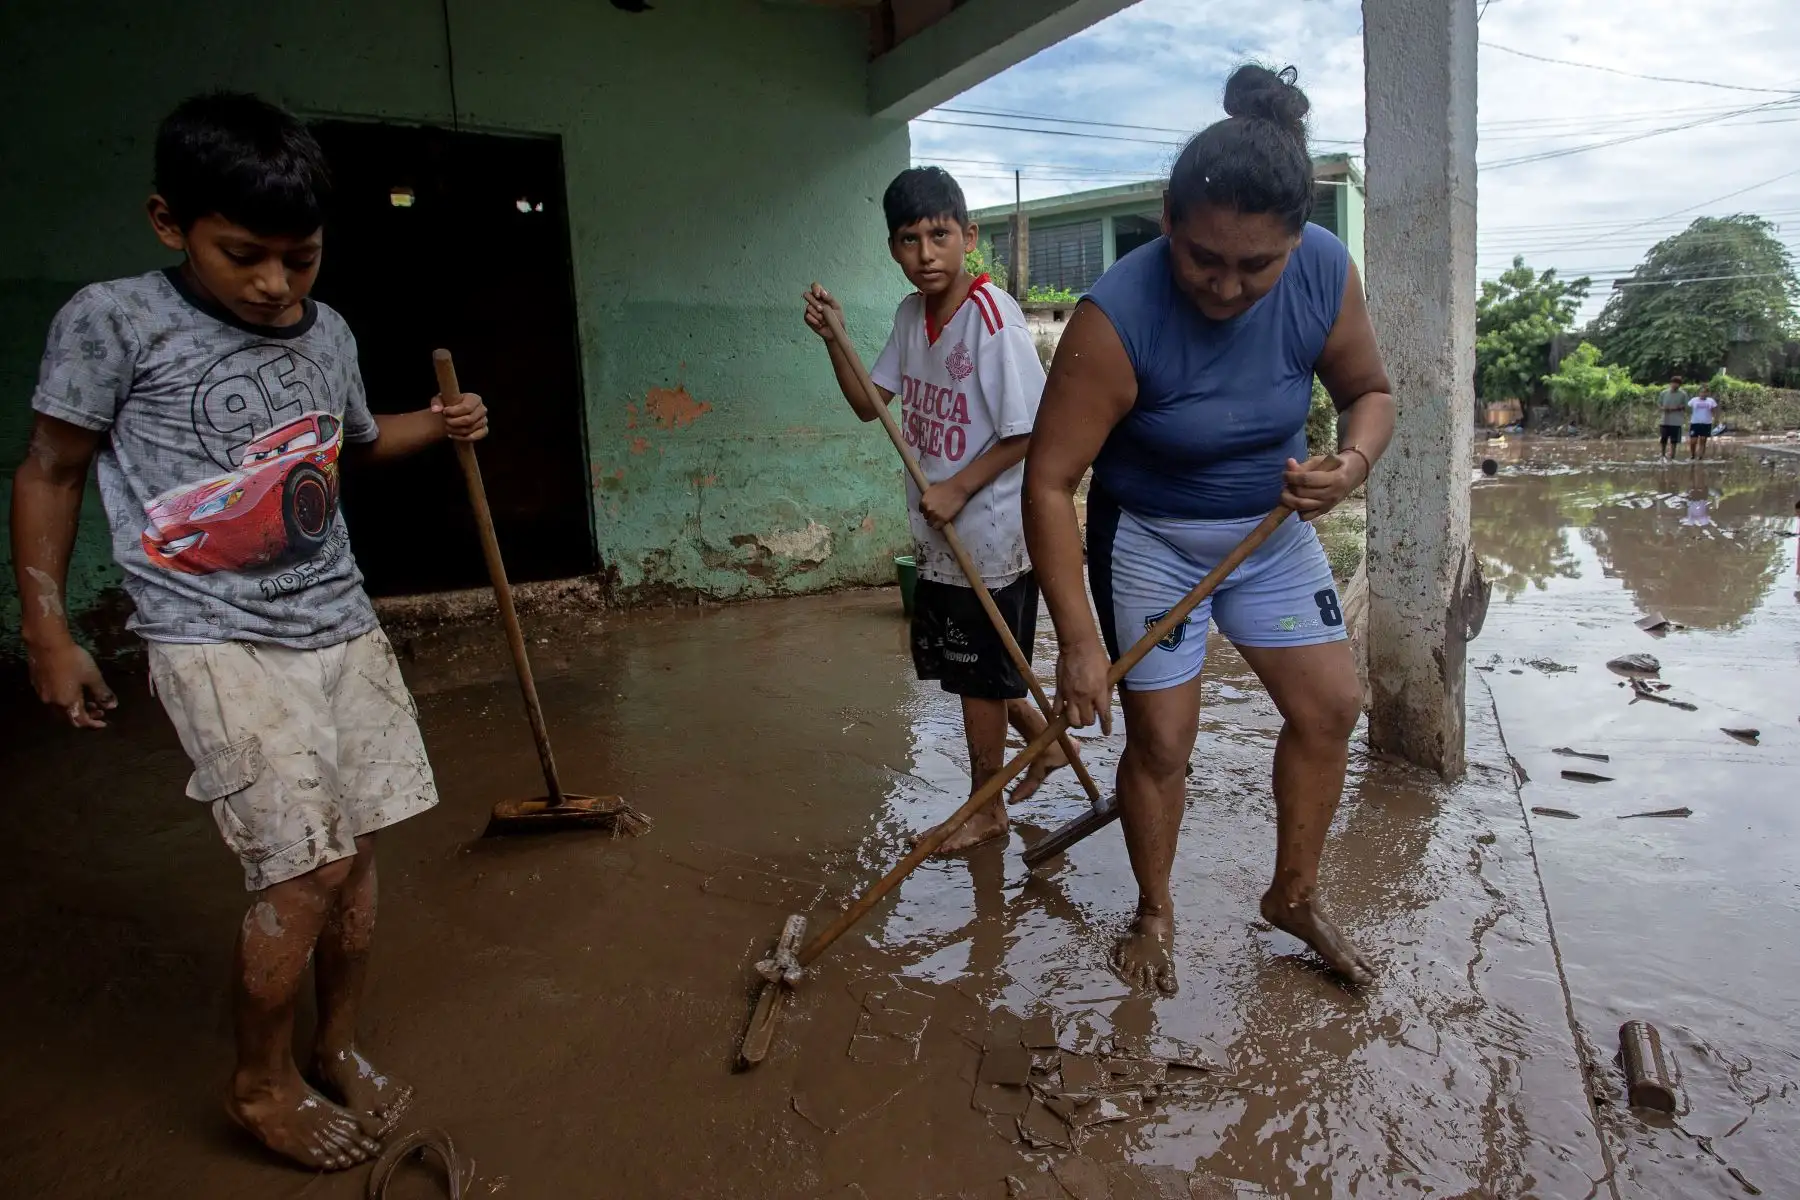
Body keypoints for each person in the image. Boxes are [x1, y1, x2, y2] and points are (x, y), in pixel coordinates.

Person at [10, 93, 488, 1171]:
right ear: (168, 222)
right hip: (211, 634)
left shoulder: (331, 332)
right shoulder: (114, 320)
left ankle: (336, 1043)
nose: (276, 285)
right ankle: (258, 1085)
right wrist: (46, 626)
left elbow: (347, 451)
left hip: (340, 623)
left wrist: (441, 423)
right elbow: (51, 467)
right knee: (303, 871)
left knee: (357, 856)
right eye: (245, 256)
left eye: (301, 259)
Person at [1023, 65, 1395, 993]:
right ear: (1167, 221)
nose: (1226, 287)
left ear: (1296, 240)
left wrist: (1348, 467)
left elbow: (1369, 393)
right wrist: (1074, 640)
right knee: (1161, 743)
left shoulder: (1323, 271)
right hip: (1149, 535)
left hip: (1269, 530)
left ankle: (1295, 894)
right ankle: (1154, 908)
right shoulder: (1116, 317)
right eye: (1203, 260)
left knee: (1330, 707)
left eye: (1254, 267)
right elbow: (1050, 479)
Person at [802, 166, 1064, 852]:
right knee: (967, 664)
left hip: (992, 533)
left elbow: (1032, 430)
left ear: (967, 235)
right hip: (941, 536)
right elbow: (869, 405)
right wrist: (836, 340)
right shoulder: (909, 316)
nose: (925, 254)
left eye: (940, 235)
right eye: (909, 239)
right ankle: (1046, 744)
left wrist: (958, 486)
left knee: (979, 675)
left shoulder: (993, 318)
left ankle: (986, 810)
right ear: (892, 247)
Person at [1655, 375, 1690, 460]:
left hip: (1676, 421)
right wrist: (1663, 408)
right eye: (1674, 383)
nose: (1675, 385)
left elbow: (1686, 406)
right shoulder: (1664, 393)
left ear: (1680, 385)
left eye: (1677, 384)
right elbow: (1659, 404)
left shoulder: (1683, 394)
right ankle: (1662, 455)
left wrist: (1678, 408)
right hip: (1665, 420)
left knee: (1674, 440)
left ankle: (1672, 455)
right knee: (1663, 438)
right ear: (1670, 383)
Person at [1687, 381, 1720, 460]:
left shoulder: (1711, 401)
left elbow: (1715, 411)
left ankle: (1701, 456)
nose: (1703, 394)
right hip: (1695, 423)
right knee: (1693, 441)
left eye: (1705, 392)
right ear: (1699, 393)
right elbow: (1687, 409)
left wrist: (1716, 419)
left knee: (1703, 440)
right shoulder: (1693, 400)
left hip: (1706, 423)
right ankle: (1692, 455)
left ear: (1708, 393)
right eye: (1701, 392)